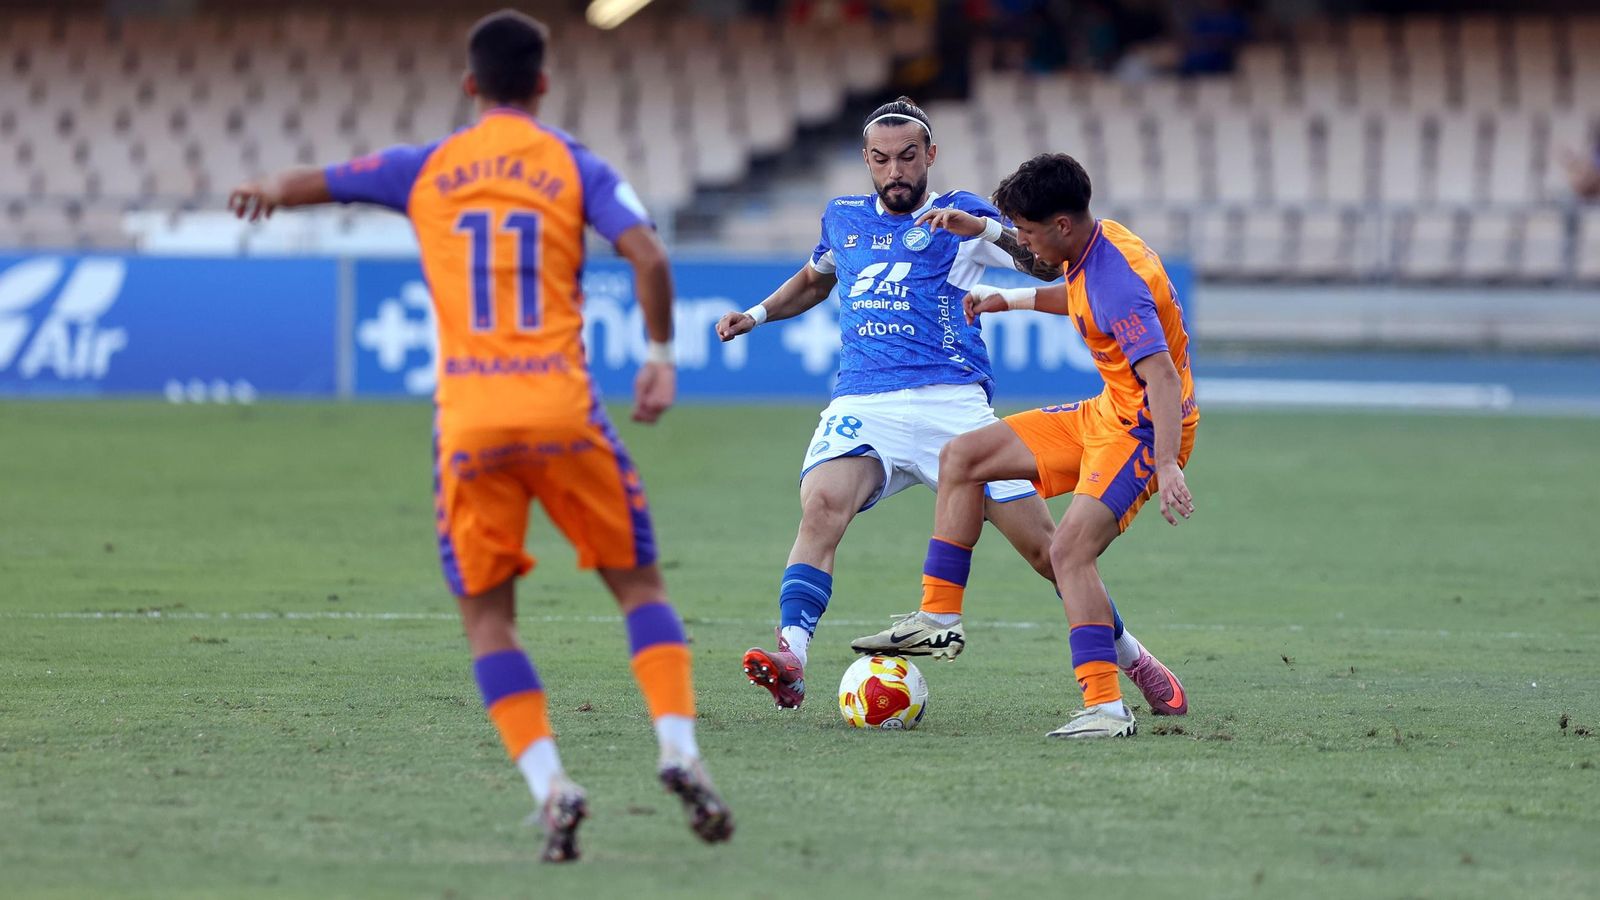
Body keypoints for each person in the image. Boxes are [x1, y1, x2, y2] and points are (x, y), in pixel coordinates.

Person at [225, 10, 731, 862]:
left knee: (490, 622)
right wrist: (657, 359)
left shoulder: (425, 165)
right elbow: (647, 256)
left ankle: (551, 788)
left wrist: (268, 189)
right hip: (564, 413)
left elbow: (320, 179)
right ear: (541, 83)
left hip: (470, 423)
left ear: (470, 85)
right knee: (640, 591)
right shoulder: (576, 163)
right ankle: (678, 751)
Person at [716, 98, 1186, 718]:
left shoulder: (961, 212)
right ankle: (792, 658)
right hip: (864, 401)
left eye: (908, 157)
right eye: (881, 160)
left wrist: (988, 234)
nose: (896, 172)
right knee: (822, 507)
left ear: (930, 155)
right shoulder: (843, 219)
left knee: (1050, 552)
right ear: (866, 161)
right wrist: (755, 315)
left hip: (953, 403)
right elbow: (815, 279)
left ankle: (1134, 659)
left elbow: (1038, 257)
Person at [896, 152, 1198, 739]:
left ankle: (1106, 707)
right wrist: (1006, 301)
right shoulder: (1094, 246)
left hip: (1143, 429)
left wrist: (1166, 464)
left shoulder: (1117, 280)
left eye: (1029, 233)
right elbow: (1080, 298)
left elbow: (1160, 376)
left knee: (1068, 552)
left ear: (1061, 225)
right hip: (1106, 412)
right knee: (963, 457)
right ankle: (939, 616)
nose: (1025, 246)